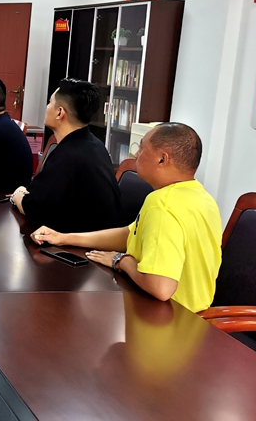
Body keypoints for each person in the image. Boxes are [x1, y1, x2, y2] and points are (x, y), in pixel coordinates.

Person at [31, 123, 222, 314]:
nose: (136, 154)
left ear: (162, 159)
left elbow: (160, 287)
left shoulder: (162, 204)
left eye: (142, 147)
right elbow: (131, 234)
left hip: (167, 320)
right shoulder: (203, 198)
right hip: (197, 321)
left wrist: (121, 260)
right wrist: (63, 238)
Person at [10, 78, 122, 232]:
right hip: (94, 236)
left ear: (60, 112)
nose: (47, 107)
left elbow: (33, 208)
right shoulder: (95, 145)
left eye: (50, 102)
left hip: (76, 241)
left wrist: (18, 194)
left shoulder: (67, 156)